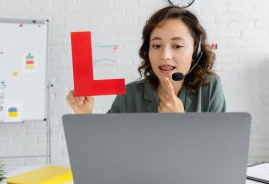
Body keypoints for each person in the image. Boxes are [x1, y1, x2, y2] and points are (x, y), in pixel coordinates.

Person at [66, 6, 226, 114]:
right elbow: (105, 151)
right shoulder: (129, 95)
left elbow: (220, 151)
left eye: (177, 46)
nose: (165, 55)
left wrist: (180, 124)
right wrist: (85, 115)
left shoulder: (210, 88)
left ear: (195, 51)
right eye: (156, 45)